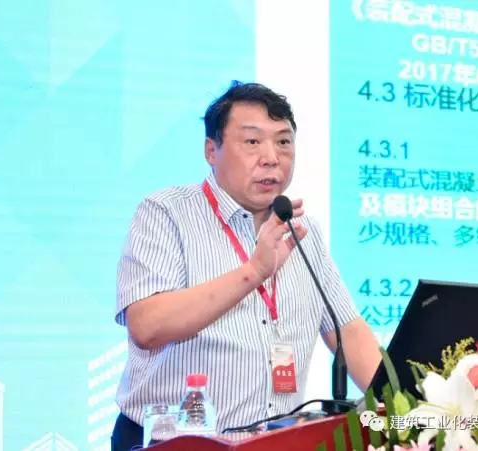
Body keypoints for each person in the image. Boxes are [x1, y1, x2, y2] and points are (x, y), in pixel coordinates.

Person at [111, 81, 382, 450]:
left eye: (283, 142)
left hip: (274, 443)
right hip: (173, 444)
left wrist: (414, 408)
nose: (271, 157)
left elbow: (347, 330)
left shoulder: (301, 230)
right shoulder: (167, 213)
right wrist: (254, 271)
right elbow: (147, 325)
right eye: (253, 141)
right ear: (211, 150)